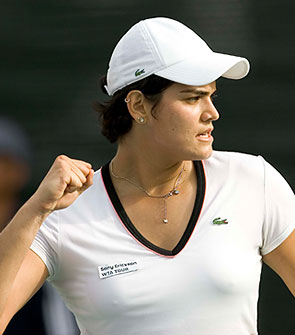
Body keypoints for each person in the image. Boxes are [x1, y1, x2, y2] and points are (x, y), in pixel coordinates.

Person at [0, 17, 294, 335]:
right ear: (138, 105)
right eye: (193, 98)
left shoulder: (254, 181)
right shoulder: (61, 215)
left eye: (211, 95)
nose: (212, 112)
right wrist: (35, 210)